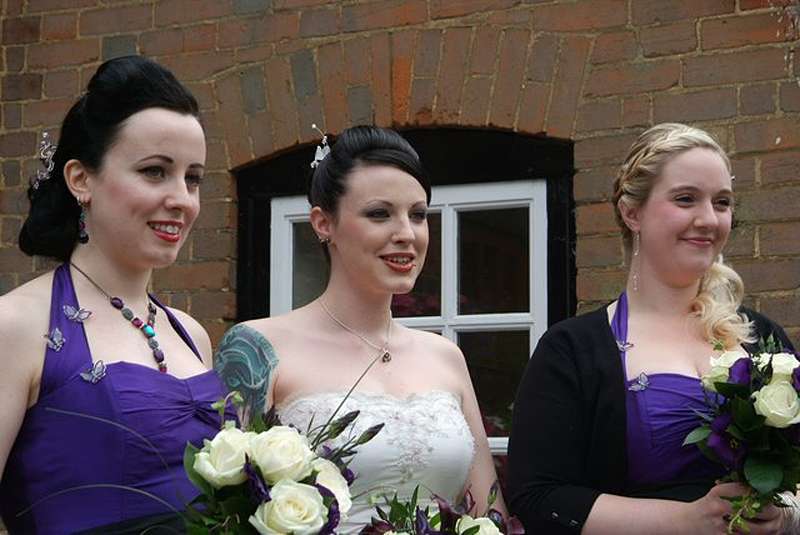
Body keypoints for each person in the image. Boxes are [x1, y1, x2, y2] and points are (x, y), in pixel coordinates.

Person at [507, 123, 798, 534]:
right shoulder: (572, 349)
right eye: (685, 199)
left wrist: (785, 515)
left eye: (722, 202)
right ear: (631, 212)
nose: (709, 219)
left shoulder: (761, 337)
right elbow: (537, 496)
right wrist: (686, 520)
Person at [215, 125, 507, 533]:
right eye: (379, 213)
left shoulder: (445, 356)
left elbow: (487, 514)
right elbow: (222, 515)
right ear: (323, 223)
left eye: (418, 215)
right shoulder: (256, 349)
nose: (406, 234)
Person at [0, 56, 233, 533]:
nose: (182, 200)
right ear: (81, 180)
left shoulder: (190, 334)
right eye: (154, 171)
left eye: (193, 178)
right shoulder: (18, 325)